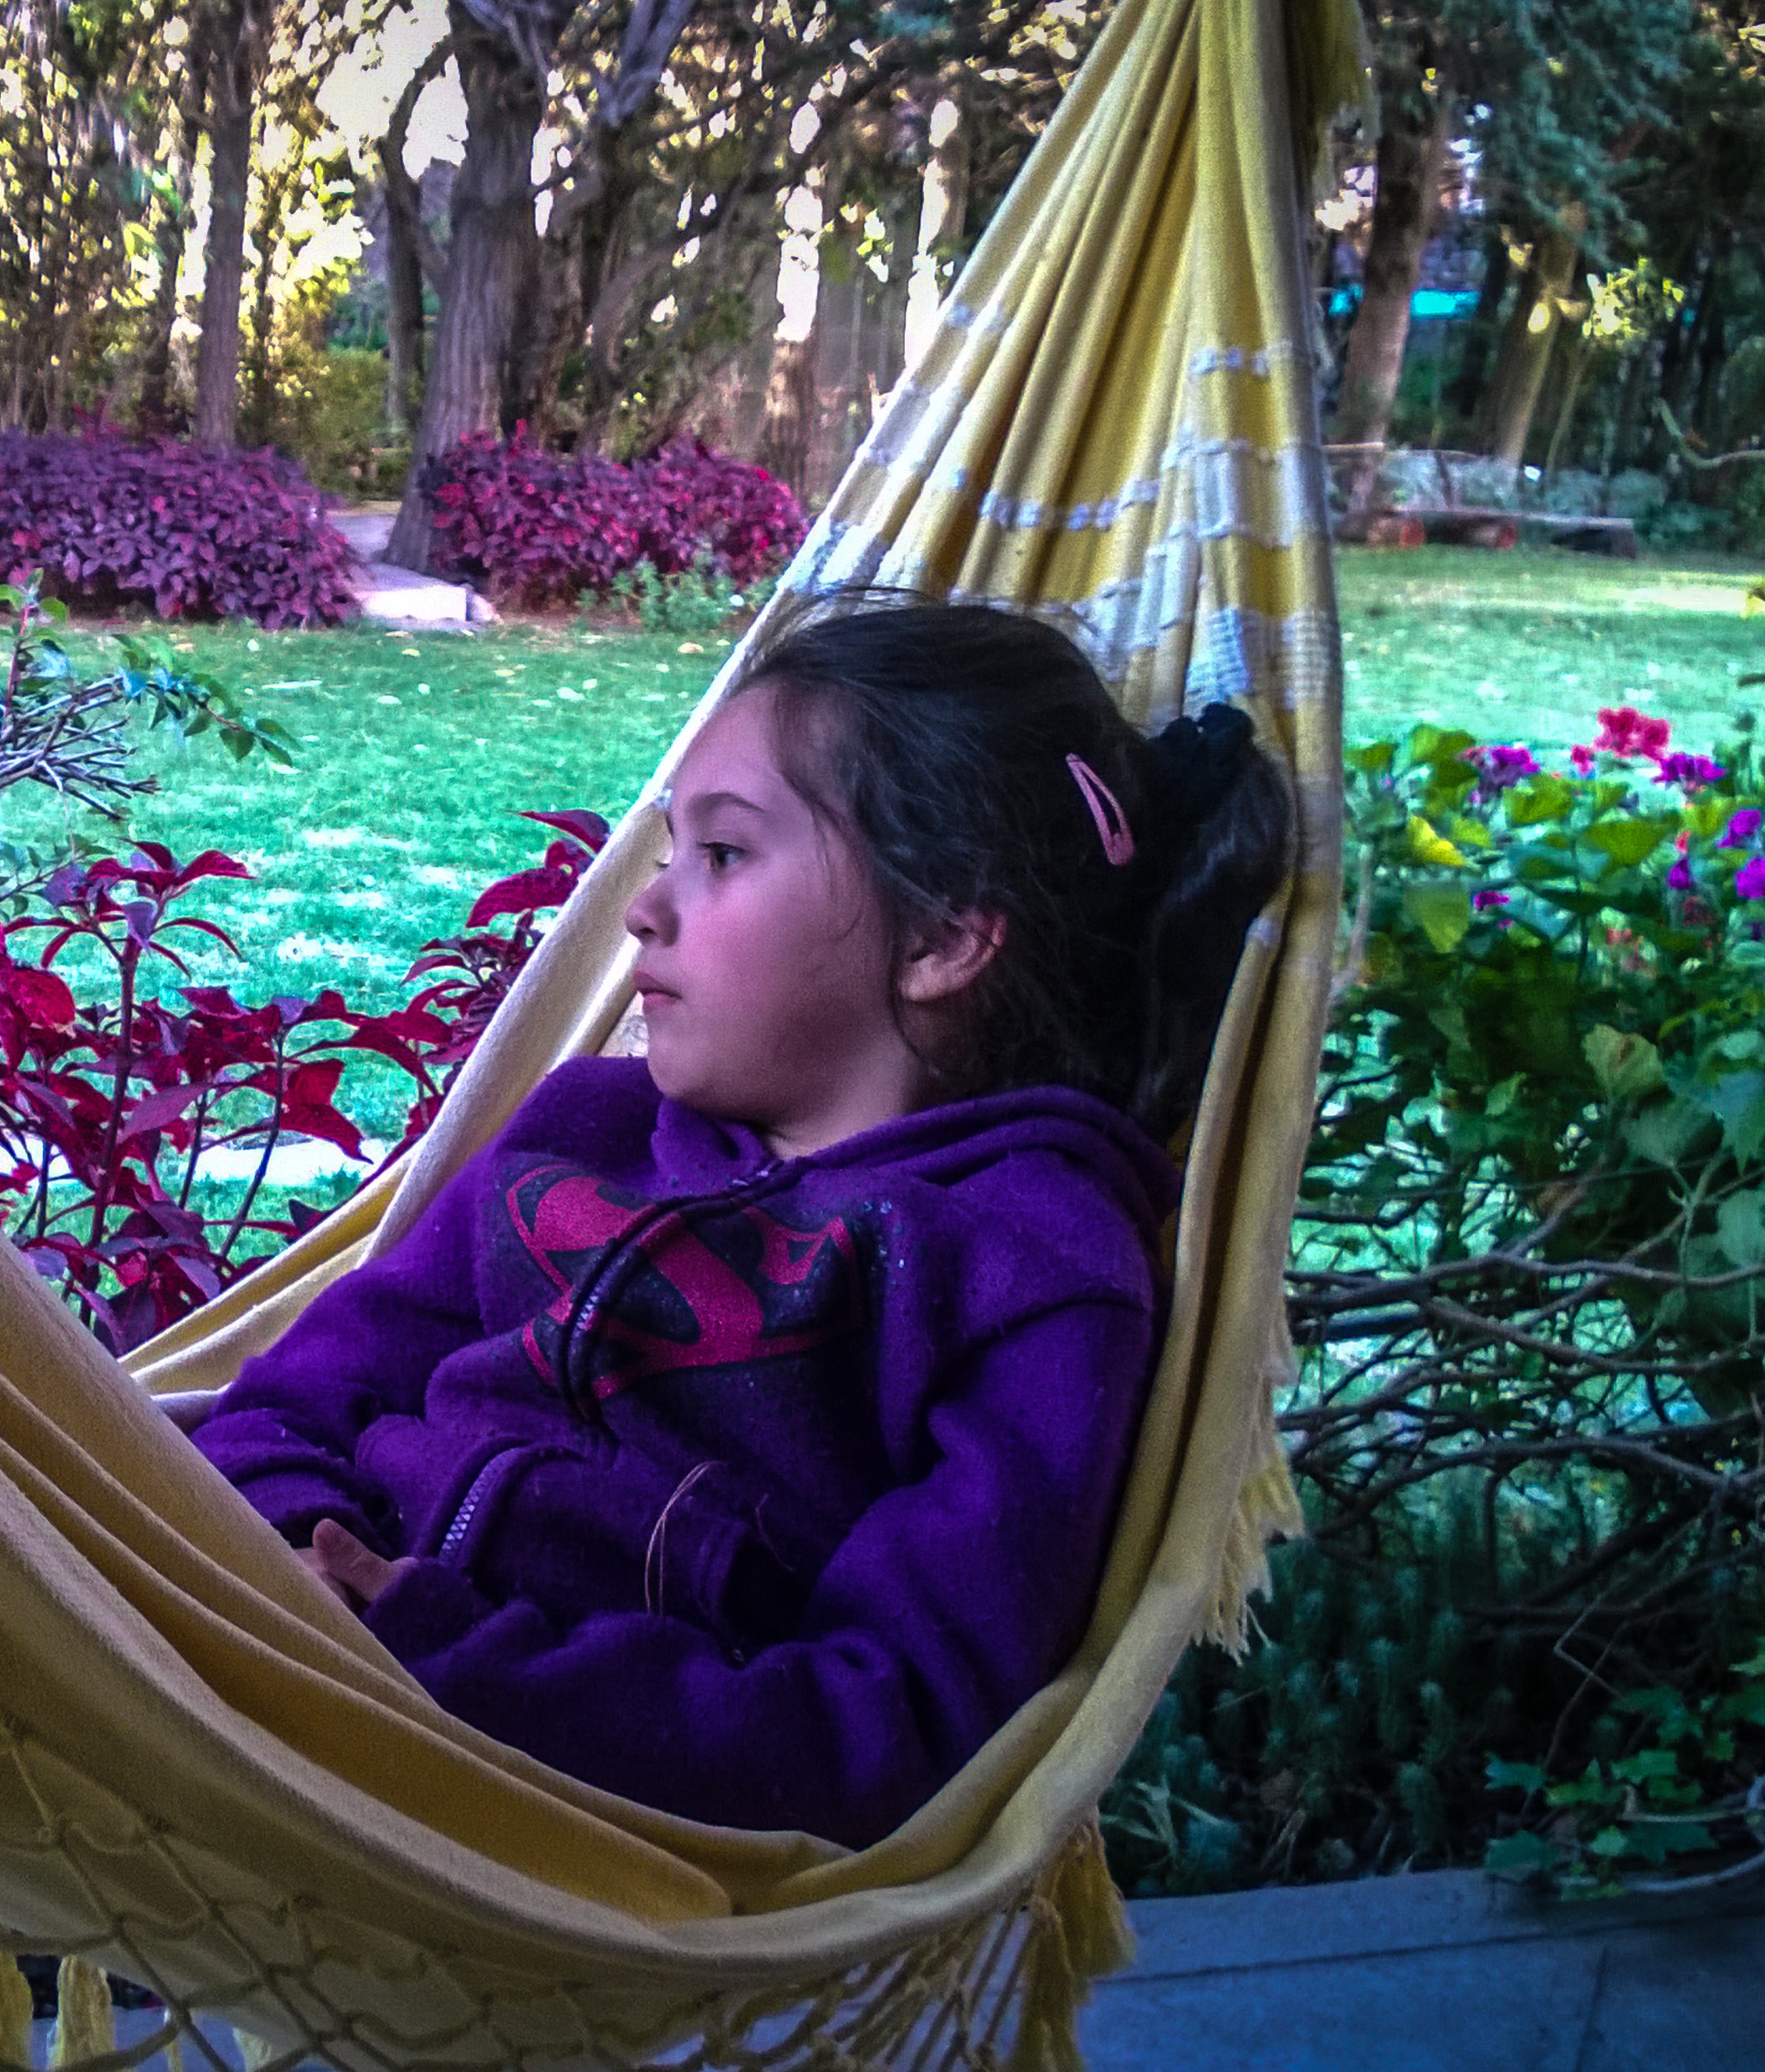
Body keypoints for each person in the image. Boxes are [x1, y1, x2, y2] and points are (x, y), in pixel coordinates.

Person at [187, 600, 1292, 1848]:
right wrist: (285, 1557)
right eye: (670, 852)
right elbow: (292, 1399)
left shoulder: (1027, 1266)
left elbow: (891, 1721)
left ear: (938, 937)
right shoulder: (586, 1127)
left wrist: (435, 1659)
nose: (644, 910)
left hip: (552, 1830)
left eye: (723, 855)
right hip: (271, 1659)